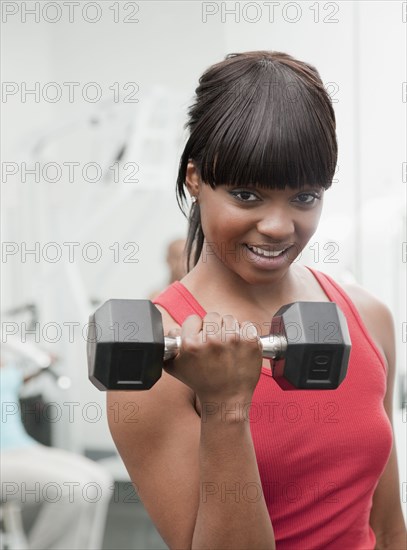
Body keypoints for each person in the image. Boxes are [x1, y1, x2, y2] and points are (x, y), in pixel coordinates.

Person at [107, 51, 406, 549]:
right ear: (195, 179)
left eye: (304, 197)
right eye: (247, 195)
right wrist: (225, 406)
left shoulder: (367, 318)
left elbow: (391, 528)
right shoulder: (155, 362)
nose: (278, 226)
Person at [1, 359, 113, 550]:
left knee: (100, 481)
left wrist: (41, 363)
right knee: (72, 490)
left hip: (23, 449)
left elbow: (19, 378)